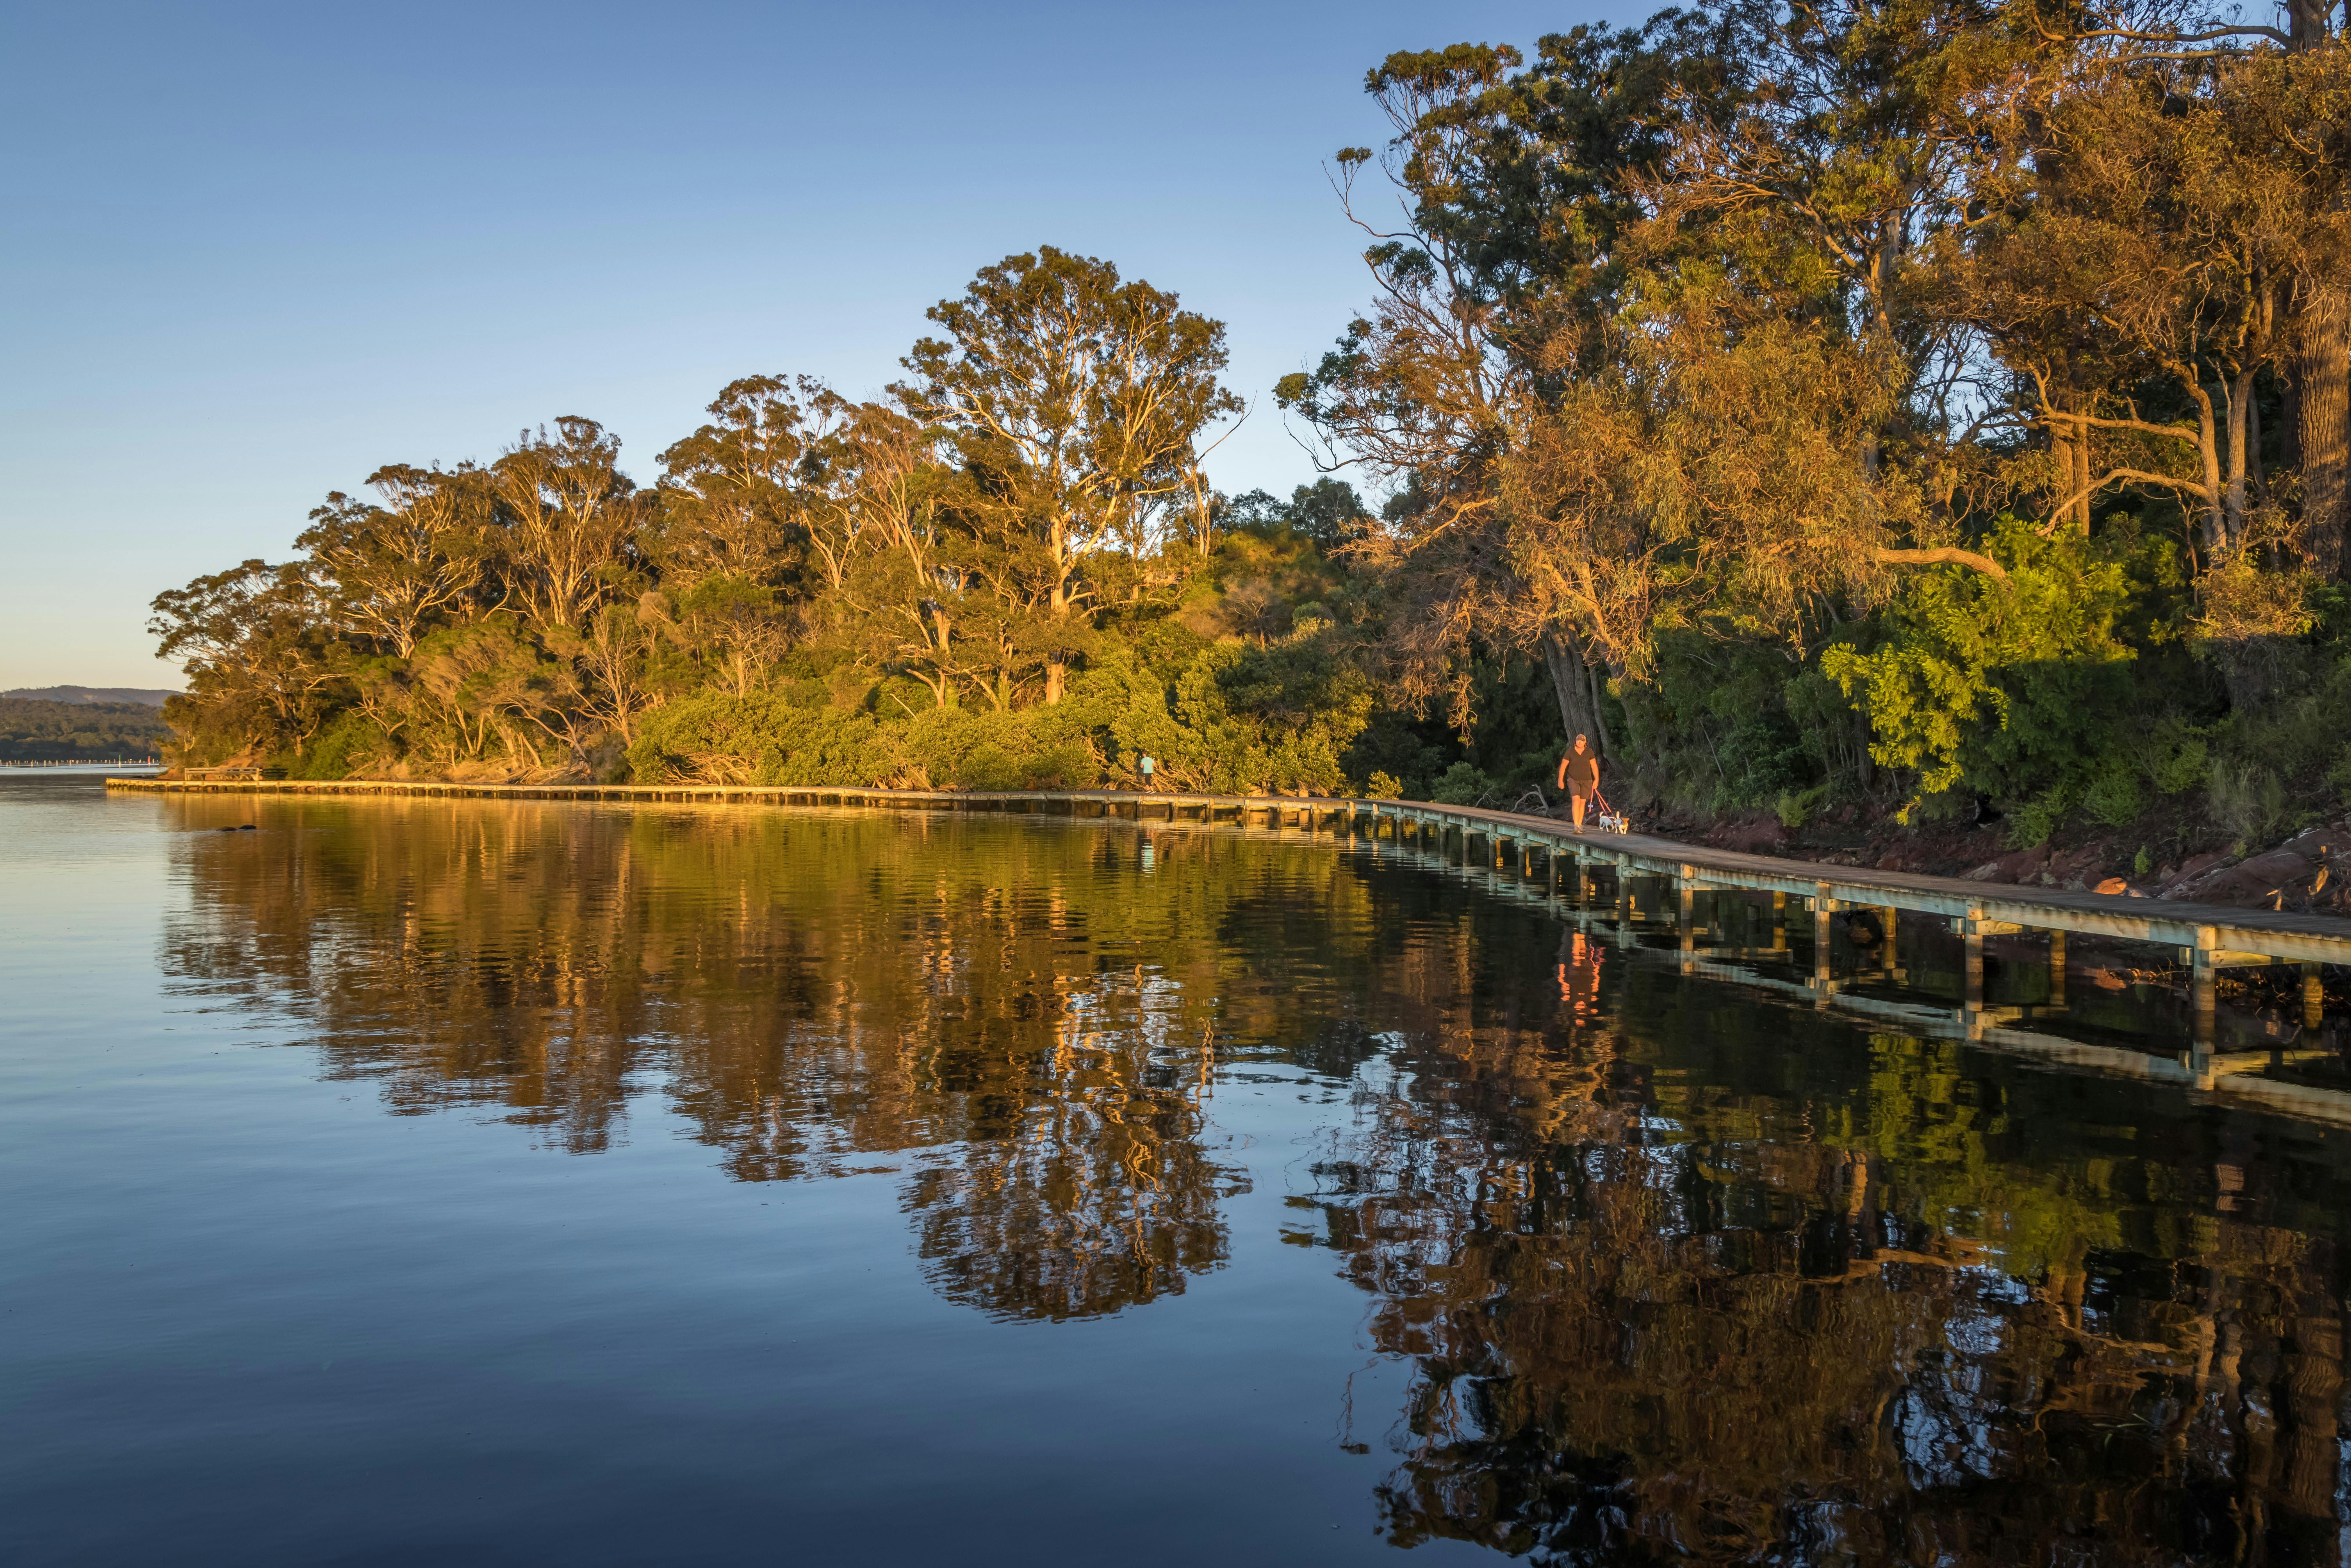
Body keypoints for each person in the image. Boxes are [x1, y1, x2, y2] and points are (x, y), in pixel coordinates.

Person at [1557, 734, 1600, 831]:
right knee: (1576, 800)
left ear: (1585, 743)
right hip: (1573, 779)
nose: (1579, 742)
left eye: (1582, 741)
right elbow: (1563, 766)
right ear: (1575, 741)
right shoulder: (1570, 752)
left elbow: (1594, 766)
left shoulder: (1589, 752)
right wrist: (1561, 781)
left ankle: (1580, 825)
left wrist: (1597, 779)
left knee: (1582, 802)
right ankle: (1576, 825)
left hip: (1587, 780)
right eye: (1578, 740)